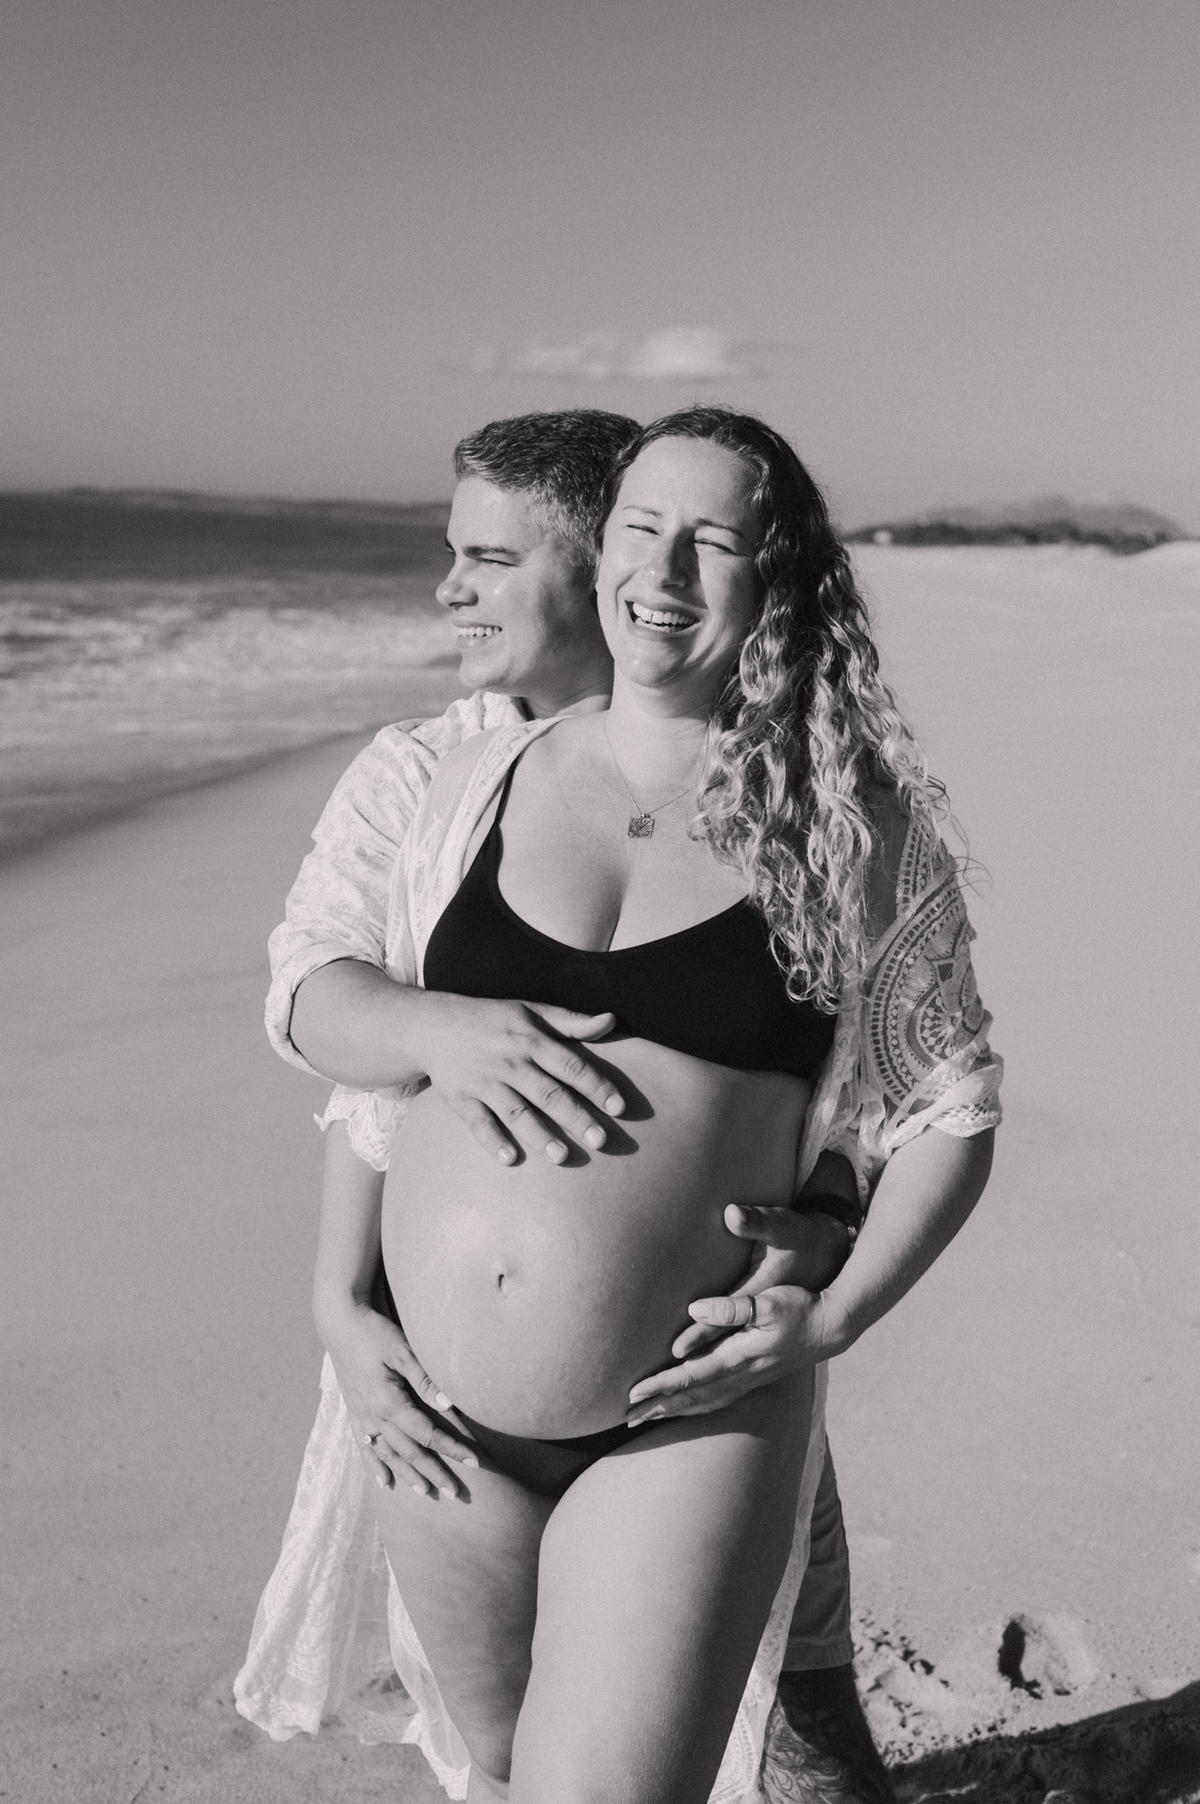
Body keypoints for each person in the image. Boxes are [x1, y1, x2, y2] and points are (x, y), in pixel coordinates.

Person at [236, 408, 1001, 1803]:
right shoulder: (452, 781)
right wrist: (342, 1302)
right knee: (497, 1771)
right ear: (606, 556)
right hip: (438, 1413)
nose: (666, 568)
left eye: (714, 541)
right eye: (645, 529)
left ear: (779, 579)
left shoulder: (846, 824)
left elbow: (943, 1104)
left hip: (688, 1412)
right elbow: (362, 1075)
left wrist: (833, 1301)